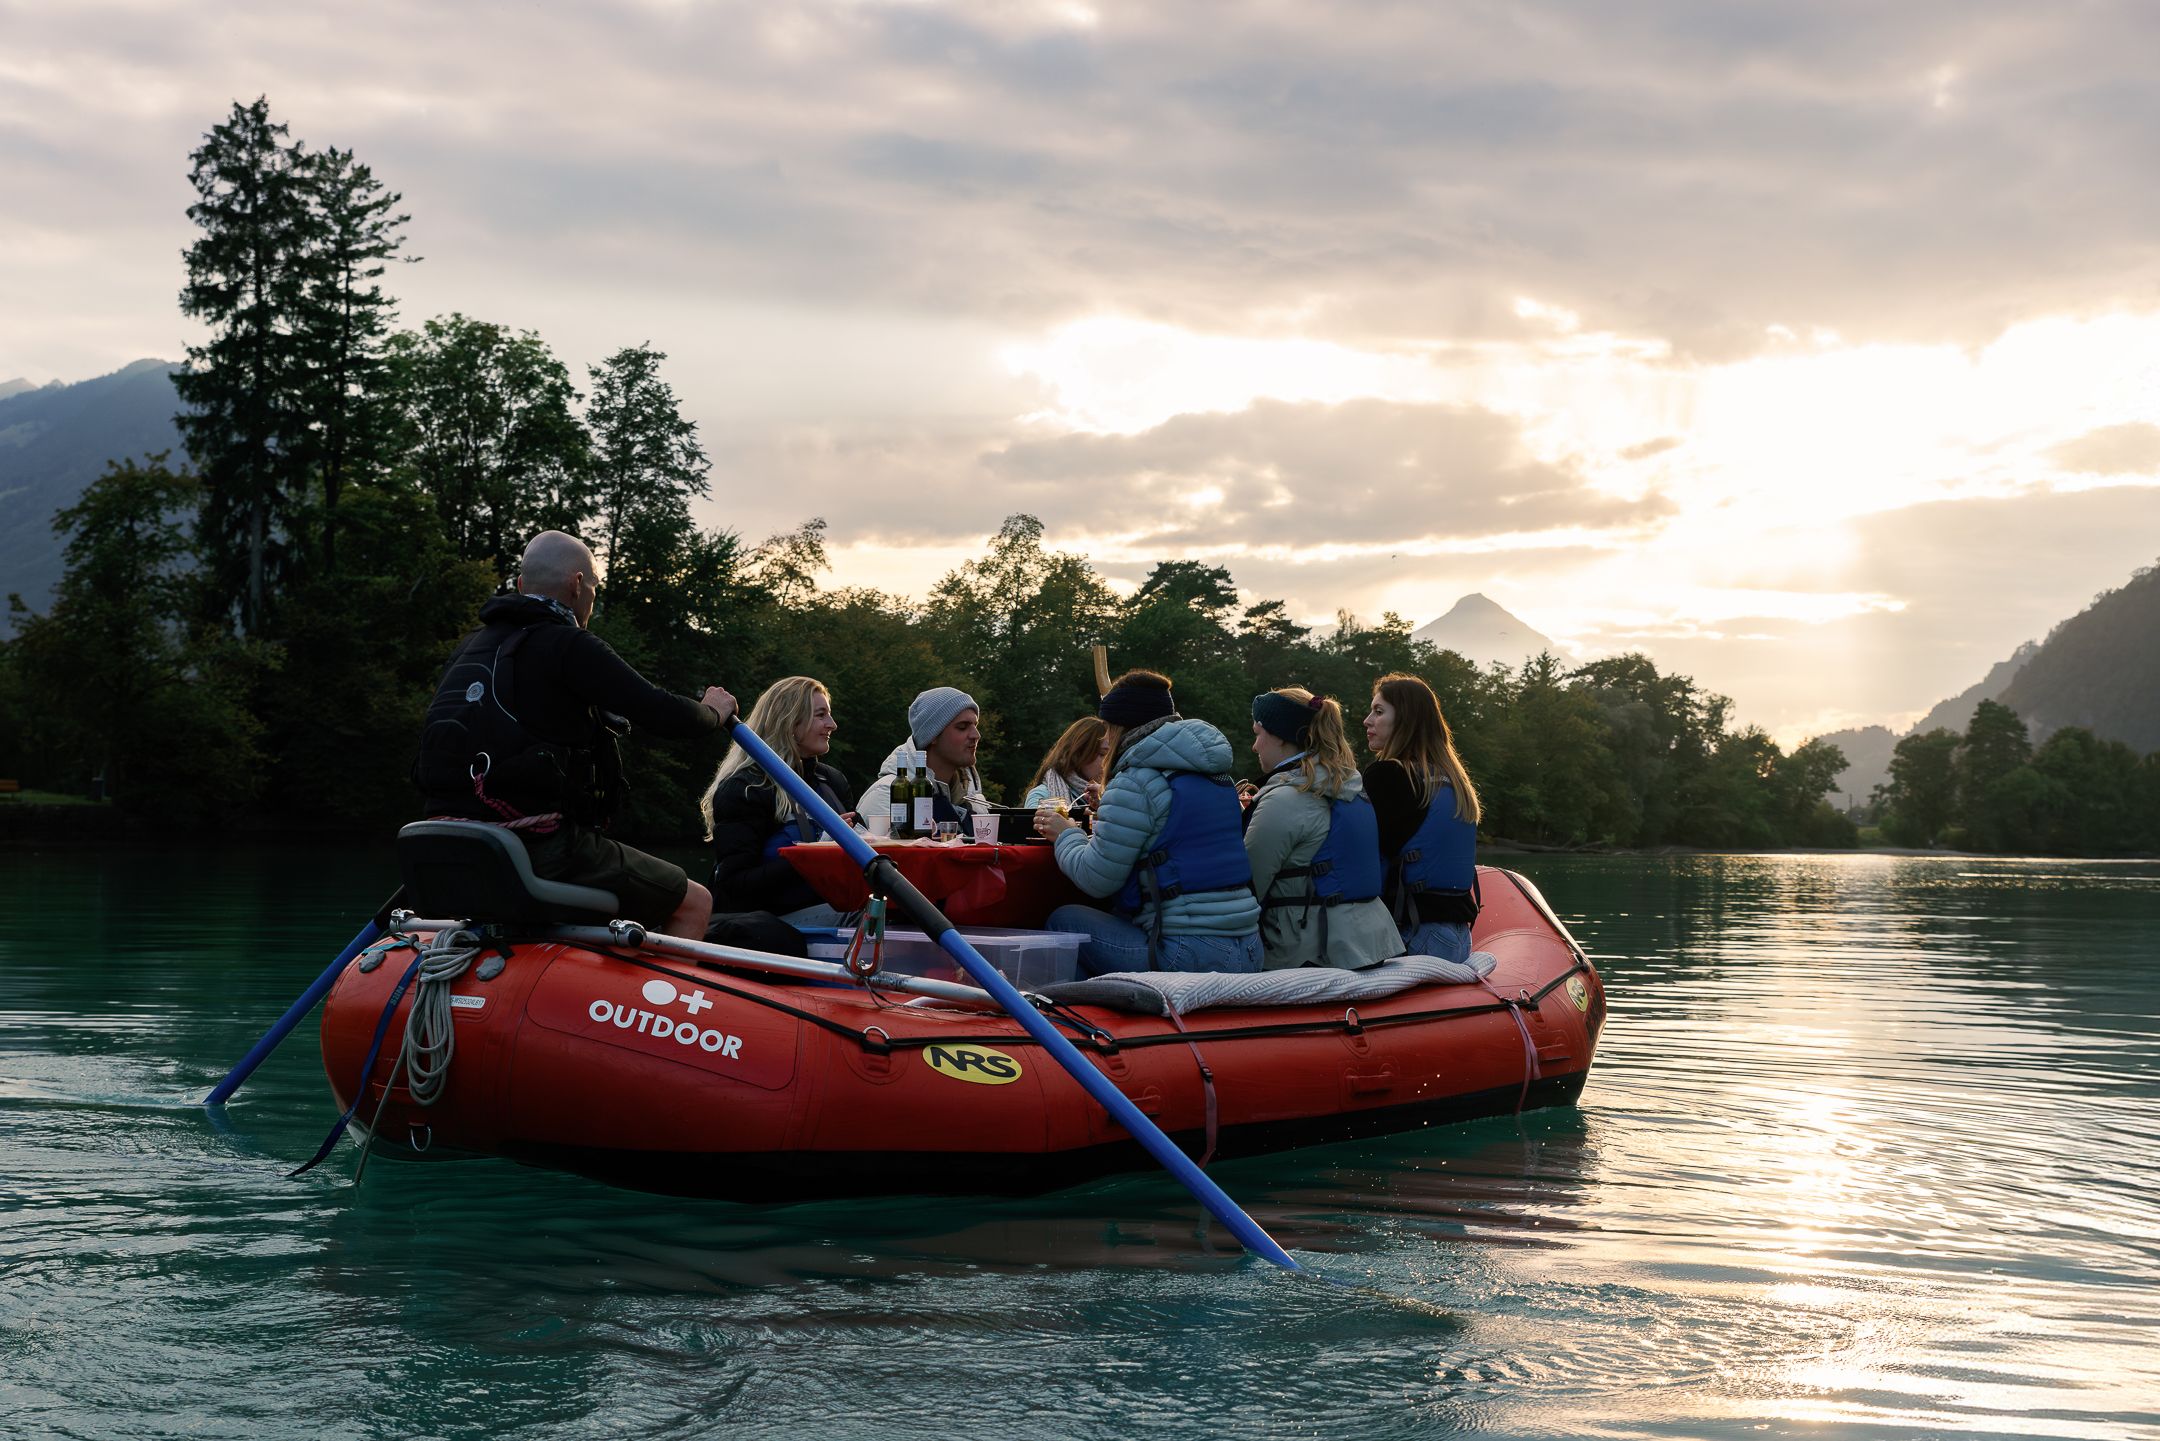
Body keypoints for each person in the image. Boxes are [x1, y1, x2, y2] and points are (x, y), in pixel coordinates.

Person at [413, 530, 735, 939]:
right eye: (595, 588)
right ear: (578, 584)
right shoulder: (567, 644)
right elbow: (663, 713)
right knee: (694, 901)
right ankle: (652, 1002)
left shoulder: (468, 649)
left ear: (519, 586)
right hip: (538, 848)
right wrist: (713, 712)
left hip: (445, 845)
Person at [1036, 670, 1262, 974]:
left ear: (1118, 728)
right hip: (1248, 950)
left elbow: (1096, 879)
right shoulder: (1217, 777)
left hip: (1185, 953)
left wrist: (1066, 834)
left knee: (1064, 920)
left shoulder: (1135, 782)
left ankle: (1066, 1021)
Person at [1244, 686, 1404, 970]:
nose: (1255, 746)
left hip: (1307, 954)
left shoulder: (1283, 801)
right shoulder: (1351, 787)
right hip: (1369, 946)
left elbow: (1246, 889)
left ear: (1280, 736)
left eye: (1258, 734)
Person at [700, 676, 853, 928]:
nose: (832, 724)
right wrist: (817, 854)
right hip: (769, 923)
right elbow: (735, 886)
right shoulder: (746, 788)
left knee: (891, 910)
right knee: (869, 920)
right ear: (791, 722)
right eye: (821, 715)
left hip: (829, 908)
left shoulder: (832, 781)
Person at [1362, 672, 1482, 962]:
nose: (1367, 720)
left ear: (1405, 721)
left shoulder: (1388, 776)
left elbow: (1359, 858)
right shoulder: (1454, 781)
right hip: (1458, 938)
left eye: (1378, 712)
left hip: (1413, 936)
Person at [856, 686, 990, 836]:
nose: (976, 735)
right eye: (962, 727)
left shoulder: (974, 801)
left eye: (975, 726)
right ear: (932, 735)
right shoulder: (888, 795)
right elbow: (893, 858)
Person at [1022, 717, 1108, 810]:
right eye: (1103, 754)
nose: (1109, 762)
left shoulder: (1109, 797)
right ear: (1077, 754)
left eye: (1112, 756)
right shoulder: (1041, 797)